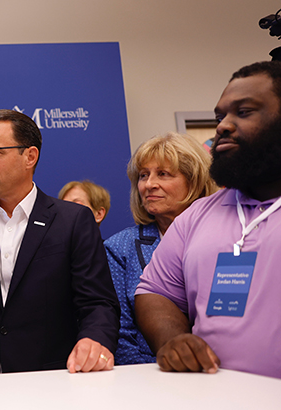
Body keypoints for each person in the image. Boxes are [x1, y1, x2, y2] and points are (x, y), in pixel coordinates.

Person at [0, 109, 120, 375]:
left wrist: (94, 340)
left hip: (54, 380)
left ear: (29, 156)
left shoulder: (72, 221)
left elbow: (98, 303)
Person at [135, 61, 281, 379]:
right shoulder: (197, 216)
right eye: (220, 117)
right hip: (210, 394)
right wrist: (173, 339)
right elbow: (155, 291)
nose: (222, 126)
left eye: (244, 112)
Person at [105, 133, 216, 365]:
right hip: (153, 375)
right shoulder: (119, 247)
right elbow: (119, 333)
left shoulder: (227, 236)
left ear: (194, 180)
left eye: (163, 174)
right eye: (143, 175)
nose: (149, 184)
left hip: (225, 369)